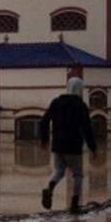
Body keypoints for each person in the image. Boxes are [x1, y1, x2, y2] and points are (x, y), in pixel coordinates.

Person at [39, 77, 97, 213]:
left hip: (58, 145)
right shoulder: (81, 105)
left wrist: (44, 139)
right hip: (74, 146)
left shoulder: (56, 102)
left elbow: (44, 121)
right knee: (77, 174)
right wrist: (93, 148)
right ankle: (74, 204)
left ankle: (49, 188)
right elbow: (87, 128)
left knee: (59, 171)